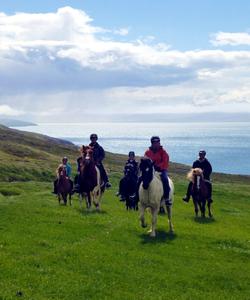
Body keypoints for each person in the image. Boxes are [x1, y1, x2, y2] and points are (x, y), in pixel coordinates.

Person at [144, 136, 171, 206]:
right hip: (150, 170)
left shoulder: (163, 152)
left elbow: (166, 161)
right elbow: (145, 160)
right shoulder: (147, 152)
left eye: (157, 142)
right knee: (141, 178)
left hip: (161, 170)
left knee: (165, 179)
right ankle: (137, 195)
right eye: (154, 143)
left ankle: (167, 198)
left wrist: (158, 166)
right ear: (152, 143)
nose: (156, 144)